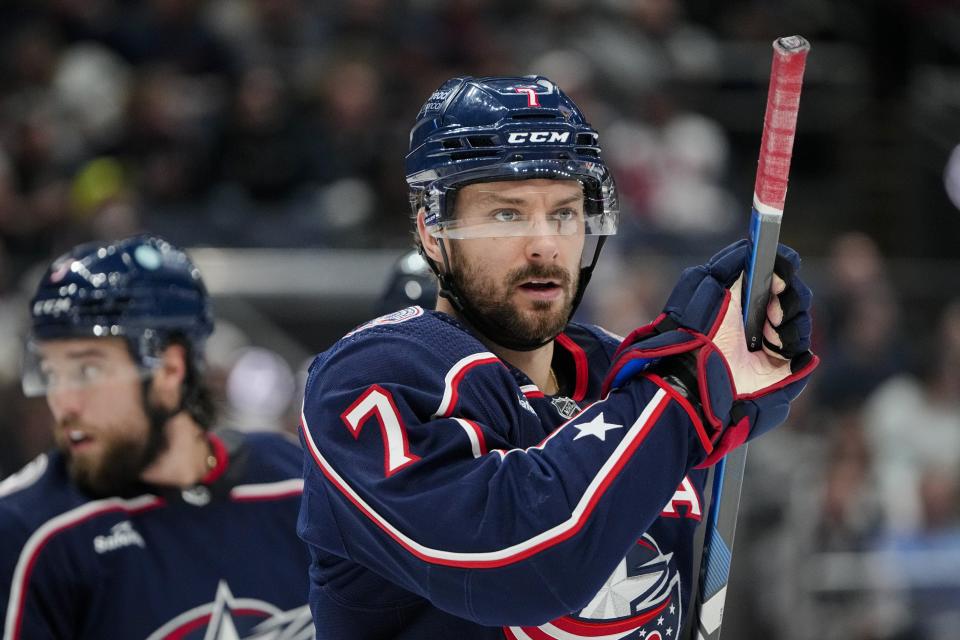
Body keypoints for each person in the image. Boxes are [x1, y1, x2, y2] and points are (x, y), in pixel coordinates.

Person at [297, 76, 819, 639]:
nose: (545, 243)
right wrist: (687, 388)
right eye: (507, 214)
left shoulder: (624, 376)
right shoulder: (373, 379)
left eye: (565, 213)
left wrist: (740, 374)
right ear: (432, 231)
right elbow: (517, 566)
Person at [0, 234, 315, 639]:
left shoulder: (294, 484)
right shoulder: (26, 532)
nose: (63, 403)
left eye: (88, 371)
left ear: (169, 371)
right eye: (52, 373)